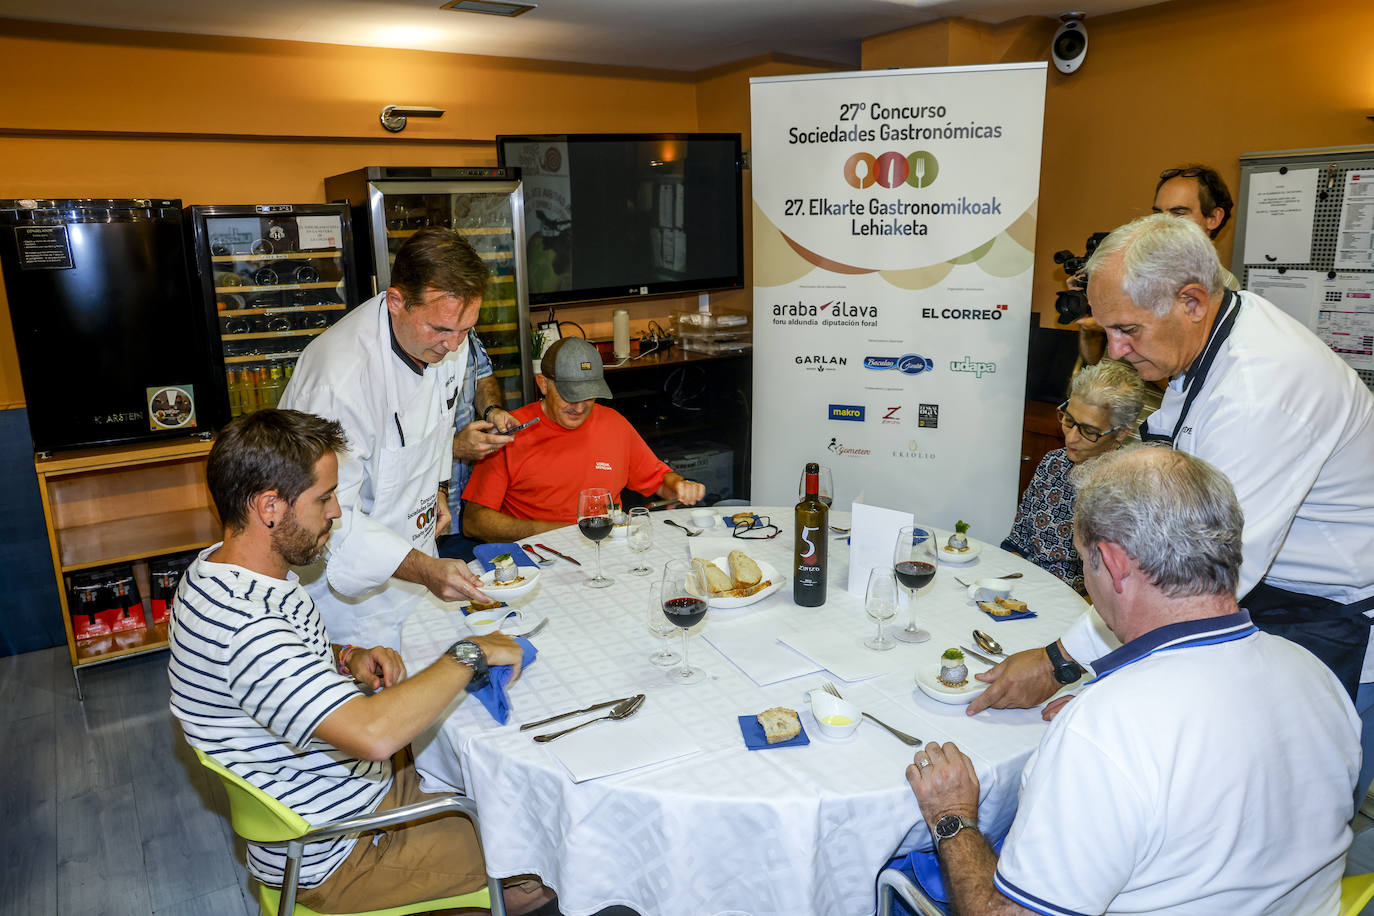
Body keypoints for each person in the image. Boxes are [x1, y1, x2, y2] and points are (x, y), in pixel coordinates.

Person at [970, 213, 1374, 786]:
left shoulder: (1261, 393)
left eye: (1127, 329)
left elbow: (1201, 578)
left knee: (1283, 805)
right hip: (1265, 600)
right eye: (1106, 329)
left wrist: (1062, 661)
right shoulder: (1207, 338)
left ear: (1191, 300)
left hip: (1326, 619)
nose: (1115, 350)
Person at [907, 447, 1359, 915]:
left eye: (1084, 560)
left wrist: (951, 817)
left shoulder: (1106, 728)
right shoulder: (1317, 675)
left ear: (1113, 563)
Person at [167, 409, 553, 915]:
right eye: (323, 498)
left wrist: (345, 656)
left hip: (350, 793)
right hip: (342, 849)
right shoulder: (247, 627)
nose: (336, 512)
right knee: (545, 853)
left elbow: (277, 666)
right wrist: (471, 652)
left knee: (508, 788)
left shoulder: (219, 574)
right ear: (269, 507)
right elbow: (373, 734)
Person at [279, 227, 497, 650]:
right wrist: (423, 569)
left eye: (466, 329)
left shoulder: (449, 340)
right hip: (348, 598)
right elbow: (328, 516)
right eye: (441, 329)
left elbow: (438, 421)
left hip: (419, 561)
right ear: (396, 301)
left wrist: (437, 487)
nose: (454, 345)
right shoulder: (339, 381)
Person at [463, 337, 706, 541]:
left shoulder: (615, 425)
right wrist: (558, 534)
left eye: (589, 396)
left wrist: (679, 485)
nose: (579, 407)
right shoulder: (510, 432)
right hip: (538, 557)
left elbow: (660, 483)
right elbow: (474, 522)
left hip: (606, 548)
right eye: (569, 395)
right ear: (543, 384)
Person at [1001, 358, 1145, 592]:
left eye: (1088, 430)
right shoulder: (1053, 463)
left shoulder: (1130, 489)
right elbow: (1017, 543)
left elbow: (1122, 586)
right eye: (1069, 420)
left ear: (1121, 433)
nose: (1070, 437)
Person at [1078, 164, 1239, 365]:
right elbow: (1095, 361)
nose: (1163, 224)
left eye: (1178, 214)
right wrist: (1092, 326)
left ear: (1213, 218)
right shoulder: (1129, 269)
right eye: (1158, 214)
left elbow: (1186, 372)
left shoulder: (1221, 286)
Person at [436, 329, 518, 561]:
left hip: (465, 498)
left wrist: (492, 410)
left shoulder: (466, 331)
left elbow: (483, 375)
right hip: (430, 513)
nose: (455, 339)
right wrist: (453, 448)